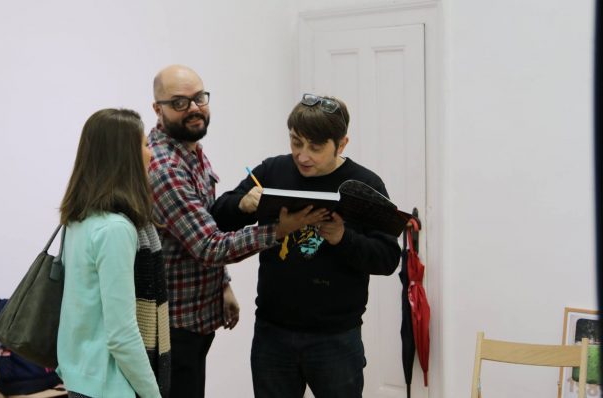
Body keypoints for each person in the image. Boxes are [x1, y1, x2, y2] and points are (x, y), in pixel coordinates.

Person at [147, 65, 326, 398]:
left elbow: (201, 223)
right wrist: (279, 230)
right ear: (158, 109)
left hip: (195, 316)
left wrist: (223, 284)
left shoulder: (189, 150)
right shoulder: (165, 168)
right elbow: (209, 245)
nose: (194, 108)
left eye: (199, 98)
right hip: (174, 325)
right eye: (180, 102)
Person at [211, 94, 401, 398]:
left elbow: (388, 258)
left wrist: (343, 238)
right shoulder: (272, 171)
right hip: (273, 332)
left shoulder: (364, 184)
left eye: (315, 147)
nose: (302, 156)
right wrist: (242, 204)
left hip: (336, 338)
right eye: (296, 142)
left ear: (341, 145)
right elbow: (218, 217)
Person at [57, 108, 170, 398]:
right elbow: (122, 334)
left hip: (83, 378)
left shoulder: (79, 219)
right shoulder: (115, 229)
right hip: (111, 386)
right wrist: (153, 394)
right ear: (125, 156)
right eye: (144, 144)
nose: (151, 154)